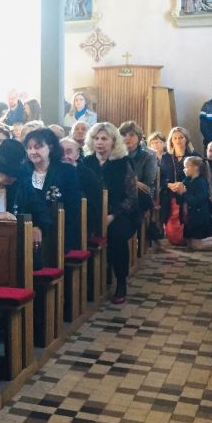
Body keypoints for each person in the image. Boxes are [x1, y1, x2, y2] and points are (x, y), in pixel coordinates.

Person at [81, 122, 139, 303]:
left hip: (121, 213)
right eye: (96, 138)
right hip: (92, 213)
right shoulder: (86, 162)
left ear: (114, 141)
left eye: (104, 139)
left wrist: (112, 215)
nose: (99, 142)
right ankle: (87, 283)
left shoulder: (123, 163)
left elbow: (132, 197)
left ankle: (121, 281)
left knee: (116, 235)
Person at [24, 127, 83, 249]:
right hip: (28, 228)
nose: (33, 151)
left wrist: (45, 227)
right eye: (29, 148)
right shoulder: (23, 171)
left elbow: (72, 206)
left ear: (50, 147)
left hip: (59, 229)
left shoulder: (66, 171)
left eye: (38, 147)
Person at [172, 156, 212, 250]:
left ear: (195, 168)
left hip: (199, 218)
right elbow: (181, 200)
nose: (184, 169)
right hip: (189, 218)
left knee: (196, 246)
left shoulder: (201, 183)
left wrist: (183, 193)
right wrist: (177, 192)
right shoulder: (187, 181)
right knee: (189, 244)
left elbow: (196, 202)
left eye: (186, 167)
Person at [159, 126, 197, 245]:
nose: (178, 140)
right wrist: (168, 184)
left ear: (186, 139)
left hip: (189, 194)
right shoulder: (165, 157)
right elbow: (160, 177)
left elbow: (200, 178)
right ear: (171, 141)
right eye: (175, 138)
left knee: (187, 236)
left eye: (181, 137)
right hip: (170, 194)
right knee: (174, 239)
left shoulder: (194, 156)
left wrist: (184, 186)